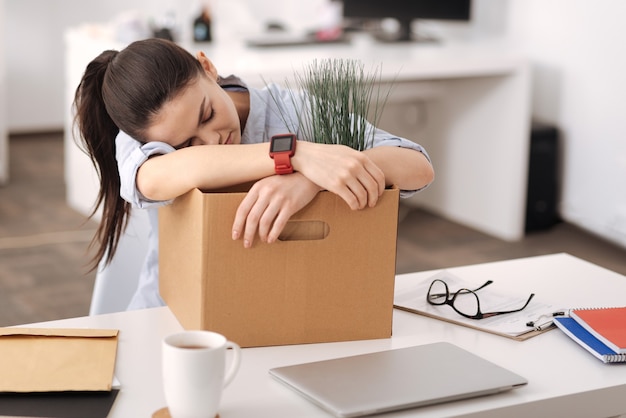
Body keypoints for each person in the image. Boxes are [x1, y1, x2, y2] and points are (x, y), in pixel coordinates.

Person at [73, 38, 434, 310]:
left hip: (285, 309)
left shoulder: (289, 109)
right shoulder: (141, 134)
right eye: (187, 144)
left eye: (207, 114)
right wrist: (296, 155)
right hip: (170, 317)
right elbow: (153, 178)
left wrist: (306, 180)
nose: (212, 141)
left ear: (208, 67)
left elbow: (418, 168)